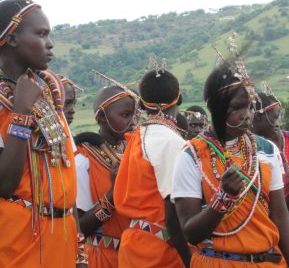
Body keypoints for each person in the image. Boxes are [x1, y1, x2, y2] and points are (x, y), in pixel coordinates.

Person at [172, 54, 289, 267]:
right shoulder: (191, 156)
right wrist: (224, 197)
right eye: (237, 107)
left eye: (251, 107)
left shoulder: (266, 151)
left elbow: (280, 217)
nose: (247, 115)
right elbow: (191, 232)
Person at [0, 0, 86, 267]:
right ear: (12, 39)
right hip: (19, 239)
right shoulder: (13, 102)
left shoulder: (50, 95)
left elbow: (66, 173)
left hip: (62, 236)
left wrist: (79, 247)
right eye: (41, 34)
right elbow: (4, 184)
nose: (50, 44)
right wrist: (21, 113)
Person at [114, 65, 192, 268]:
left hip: (134, 246)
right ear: (179, 97)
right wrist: (190, 261)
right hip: (159, 253)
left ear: (141, 103)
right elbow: (173, 215)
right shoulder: (169, 142)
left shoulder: (138, 137)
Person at [75, 85, 137, 267]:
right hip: (102, 258)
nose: (132, 121)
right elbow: (80, 229)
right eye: (125, 115)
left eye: (133, 115)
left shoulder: (135, 150)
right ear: (101, 117)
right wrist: (112, 196)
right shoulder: (83, 159)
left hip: (137, 256)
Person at [252, 89, 289, 208]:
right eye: (275, 117)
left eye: (279, 117)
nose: (278, 123)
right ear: (257, 116)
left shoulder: (280, 142)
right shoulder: (255, 148)